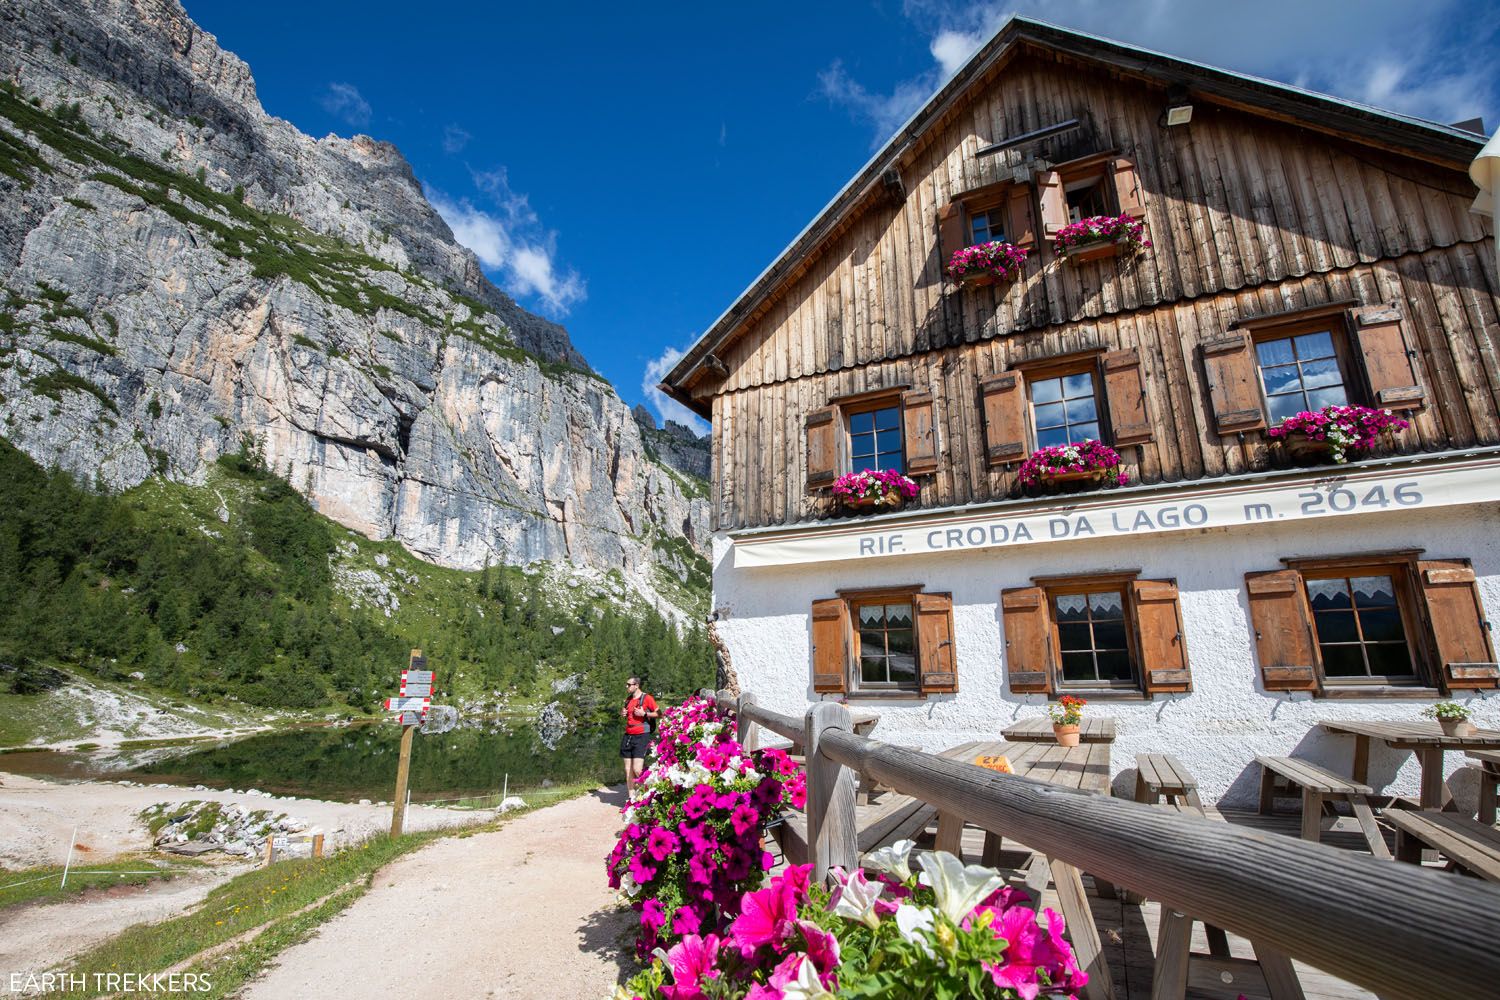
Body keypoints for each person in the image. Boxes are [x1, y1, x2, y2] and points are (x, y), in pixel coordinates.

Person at [619, 676, 658, 799]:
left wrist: (645, 714)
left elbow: (659, 713)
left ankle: (649, 792)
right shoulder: (628, 699)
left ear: (636, 685)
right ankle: (631, 797)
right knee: (628, 770)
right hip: (628, 735)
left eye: (629, 684)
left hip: (642, 736)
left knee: (637, 770)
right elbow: (626, 714)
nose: (627, 686)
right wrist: (622, 713)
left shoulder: (647, 698)